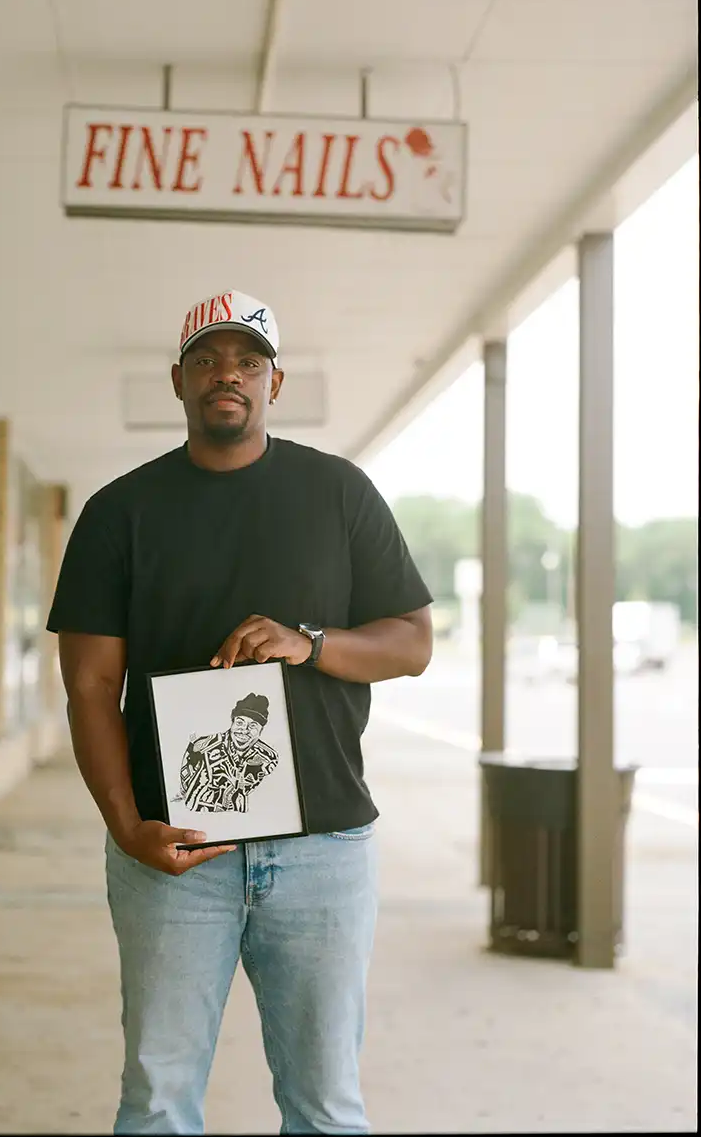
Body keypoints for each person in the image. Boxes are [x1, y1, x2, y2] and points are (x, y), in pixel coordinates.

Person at [47, 288, 434, 1136]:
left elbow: (412, 643)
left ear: (274, 383)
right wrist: (127, 827)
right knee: (157, 1102)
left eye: (248, 361)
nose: (229, 374)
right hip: (175, 851)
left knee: (326, 1108)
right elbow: (89, 689)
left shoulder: (339, 492)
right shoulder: (119, 512)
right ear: (178, 380)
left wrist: (309, 643)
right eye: (208, 360)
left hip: (324, 848)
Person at [178, 692, 278, 813]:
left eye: (253, 726)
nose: (244, 730)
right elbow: (187, 789)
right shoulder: (205, 747)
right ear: (232, 723)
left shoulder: (268, 758)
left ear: (261, 731)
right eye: (240, 723)